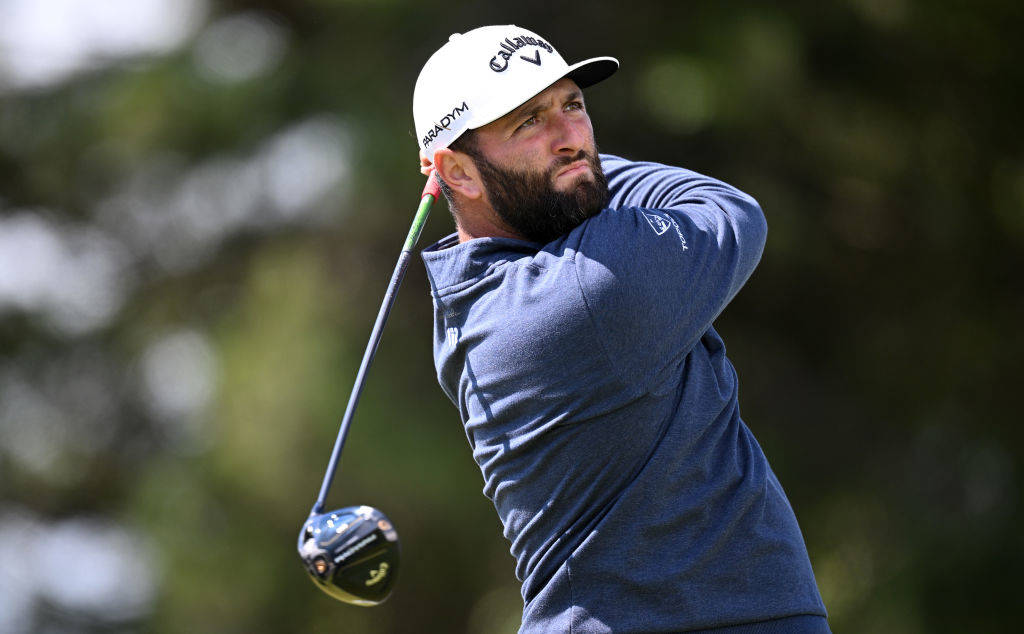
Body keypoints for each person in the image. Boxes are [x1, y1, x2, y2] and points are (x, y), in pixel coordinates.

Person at [412, 25, 830, 633]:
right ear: (458, 173)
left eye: (573, 106)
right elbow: (729, 210)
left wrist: (563, 169)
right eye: (527, 122)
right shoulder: (587, 293)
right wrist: (582, 172)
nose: (571, 138)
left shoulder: (472, 300)